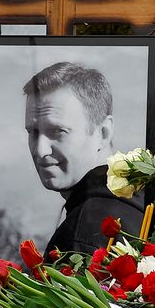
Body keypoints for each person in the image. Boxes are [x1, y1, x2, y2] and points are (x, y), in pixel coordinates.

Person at [23, 61, 145, 254]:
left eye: (57, 131)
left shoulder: (84, 236)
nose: (40, 150)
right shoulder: (140, 199)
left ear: (103, 132)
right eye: (33, 132)